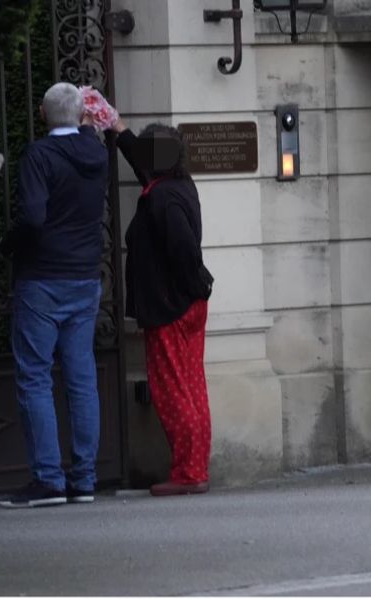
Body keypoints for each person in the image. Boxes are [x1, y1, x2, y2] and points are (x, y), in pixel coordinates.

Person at [0, 82, 108, 508]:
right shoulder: (96, 153)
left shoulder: (40, 156)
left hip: (42, 278)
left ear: (43, 115)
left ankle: (47, 479)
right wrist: (90, 118)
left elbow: (33, 217)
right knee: (82, 379)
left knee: (35, 377)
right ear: (82, 118)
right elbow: (88, 130)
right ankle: (84, 478)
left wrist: (9, 246)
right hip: (85, 277)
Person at [112, 117, 214, 496]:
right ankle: (195, 469)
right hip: (186, 303)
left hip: (172, 306)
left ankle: (188, 474)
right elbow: (144, 165)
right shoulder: (177, 185)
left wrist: (191, 287)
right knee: (191, 387)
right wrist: (117, 129)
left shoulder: (162, 196)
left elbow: (184, 249)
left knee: (172, 390)